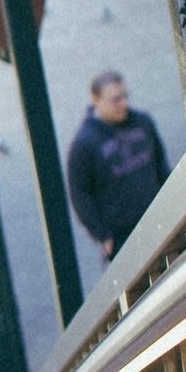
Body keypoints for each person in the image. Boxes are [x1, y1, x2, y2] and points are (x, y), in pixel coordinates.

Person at [66, 72, 168, 261]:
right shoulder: (84, 145)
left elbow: (161, 165)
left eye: (125, 97)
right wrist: (103, 236)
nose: (124, 104)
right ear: (96, 101)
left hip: (159, 220)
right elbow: (79, 195)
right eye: (116, 100)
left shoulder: (143, 122)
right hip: (122, 238)